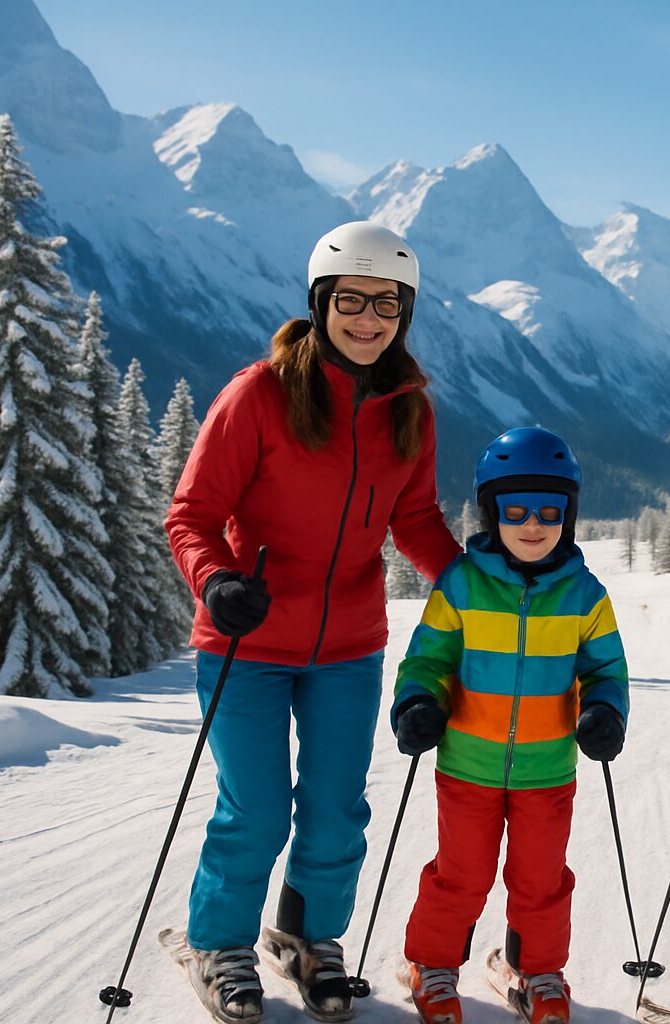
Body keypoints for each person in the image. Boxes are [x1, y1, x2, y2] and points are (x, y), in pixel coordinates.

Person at [164, 221, 463, 1024]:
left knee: (335, 807)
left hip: (349, 647)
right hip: (247, 643)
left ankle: (305, 938)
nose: (369, 320)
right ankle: (220, 943)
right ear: (321, 302)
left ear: (405, 313)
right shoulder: (259, 393)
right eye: (353, 301)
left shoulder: (409, 409)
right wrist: (216, 579)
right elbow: (191, 515)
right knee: (253, 807)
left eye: (388, 305)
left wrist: (475, 584)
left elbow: (417, 518)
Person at [389, 426, 629, 1024]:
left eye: (549, 510)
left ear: (568, 515)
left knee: (540, 881)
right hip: (467, 764)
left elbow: (605, 669)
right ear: (490, 511)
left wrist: (605, 711)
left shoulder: (584, 595)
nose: (532, 523)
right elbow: (428, 659)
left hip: (547, 771)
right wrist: (418, 702)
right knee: (461, 876)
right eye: (515, 509)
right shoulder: (461, 586)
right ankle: (431, 964)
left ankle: (539, 970)